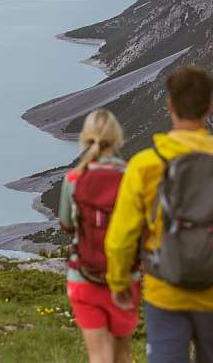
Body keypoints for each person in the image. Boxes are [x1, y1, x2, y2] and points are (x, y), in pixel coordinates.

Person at [105, 66, 213, 363]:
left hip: (165, 291)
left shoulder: (145, 166)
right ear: (210, 107)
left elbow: (121, 236)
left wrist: (118, 283)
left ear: (170, 105)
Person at [59, 109, 140, 363]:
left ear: (85, 138)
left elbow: (67, 224)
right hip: (126, 278)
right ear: (117, 138)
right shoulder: (131, 176)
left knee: (99, 357)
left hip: (83, 276)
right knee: (122, 355)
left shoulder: (74, 178)